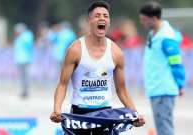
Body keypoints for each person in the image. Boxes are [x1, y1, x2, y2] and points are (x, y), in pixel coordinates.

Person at [50, 1, 145, 134]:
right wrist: (57, 109)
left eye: (105, 16)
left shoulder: (116, 52)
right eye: (97, 16)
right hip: (80, 114)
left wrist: (135, 114)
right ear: (88, 20)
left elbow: (122, 90)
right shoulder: (75, 50)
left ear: (109, 22)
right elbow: (62, 84)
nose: (102, 19)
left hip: (105, 114)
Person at [139, 1, 186, 135]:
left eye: (144, 20)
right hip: (155, 89)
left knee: (165, 129)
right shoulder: (153, 34)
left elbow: (176, 63)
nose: (142, 23)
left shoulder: (166, 38)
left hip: (163, 90)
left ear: (154, 18)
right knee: (161, 128)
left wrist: (180, 84)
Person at [13, 23, 34, 98]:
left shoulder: (27, 35)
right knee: (22, 77)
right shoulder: (18, 38)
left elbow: (29, 46)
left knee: (25, 76)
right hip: (19, 59)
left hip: (25, 59)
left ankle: (26, 92)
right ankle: (23, 91)